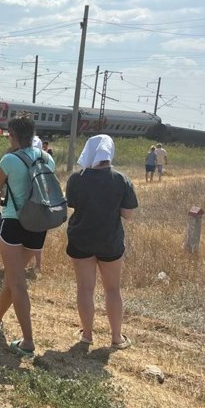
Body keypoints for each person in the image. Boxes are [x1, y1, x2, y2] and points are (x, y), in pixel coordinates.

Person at [0, 114, 54, 359]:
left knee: (17, 282)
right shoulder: (47, 158)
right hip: (38, 225)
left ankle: (28, 341)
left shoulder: (10, 159)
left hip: (13, 223)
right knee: (12, 278)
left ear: (13, 135)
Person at [66, 134, 137, 349]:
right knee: (112, 290)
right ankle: (116, 338)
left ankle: (87, 335)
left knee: (85, 289)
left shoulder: (76, 179)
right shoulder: (121, 179)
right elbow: (128, 214)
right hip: (110, 240)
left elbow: (71, 204)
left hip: (81, 239)